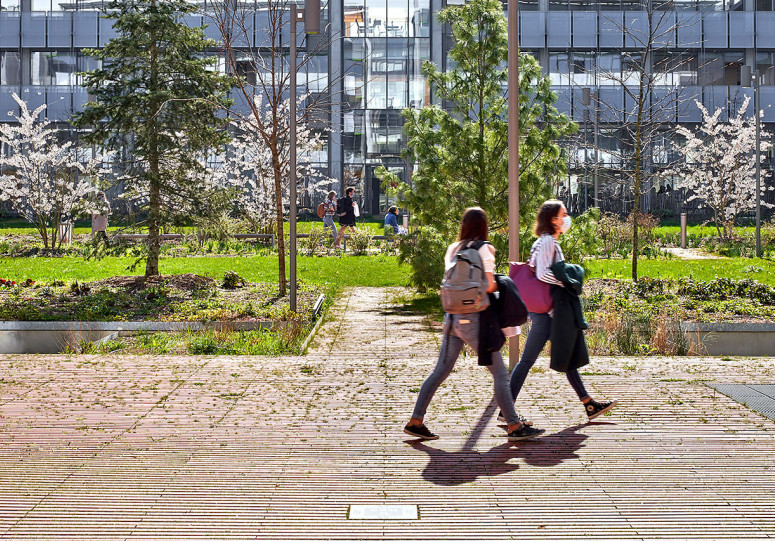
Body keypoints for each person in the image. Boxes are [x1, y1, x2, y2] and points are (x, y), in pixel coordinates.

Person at [405, 207, 545, 442]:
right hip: (475, 319)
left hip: (452, 317)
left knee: (441, 370)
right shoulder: (484, 249)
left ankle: (416, 421)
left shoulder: (453, 249)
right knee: (500, 374)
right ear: (483, 226)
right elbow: (488, 285)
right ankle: (514, 425)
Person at [503, 200, 617, 422]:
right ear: (553, 219)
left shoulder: (546, 241)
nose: (566, 218)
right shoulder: (547, 242)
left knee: (567, 354)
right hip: (546, 313)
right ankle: (506, 410)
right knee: (528, 360)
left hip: (548, 311)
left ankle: (588, 403)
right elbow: (543, 274)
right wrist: (567, 281)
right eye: (563, 214)